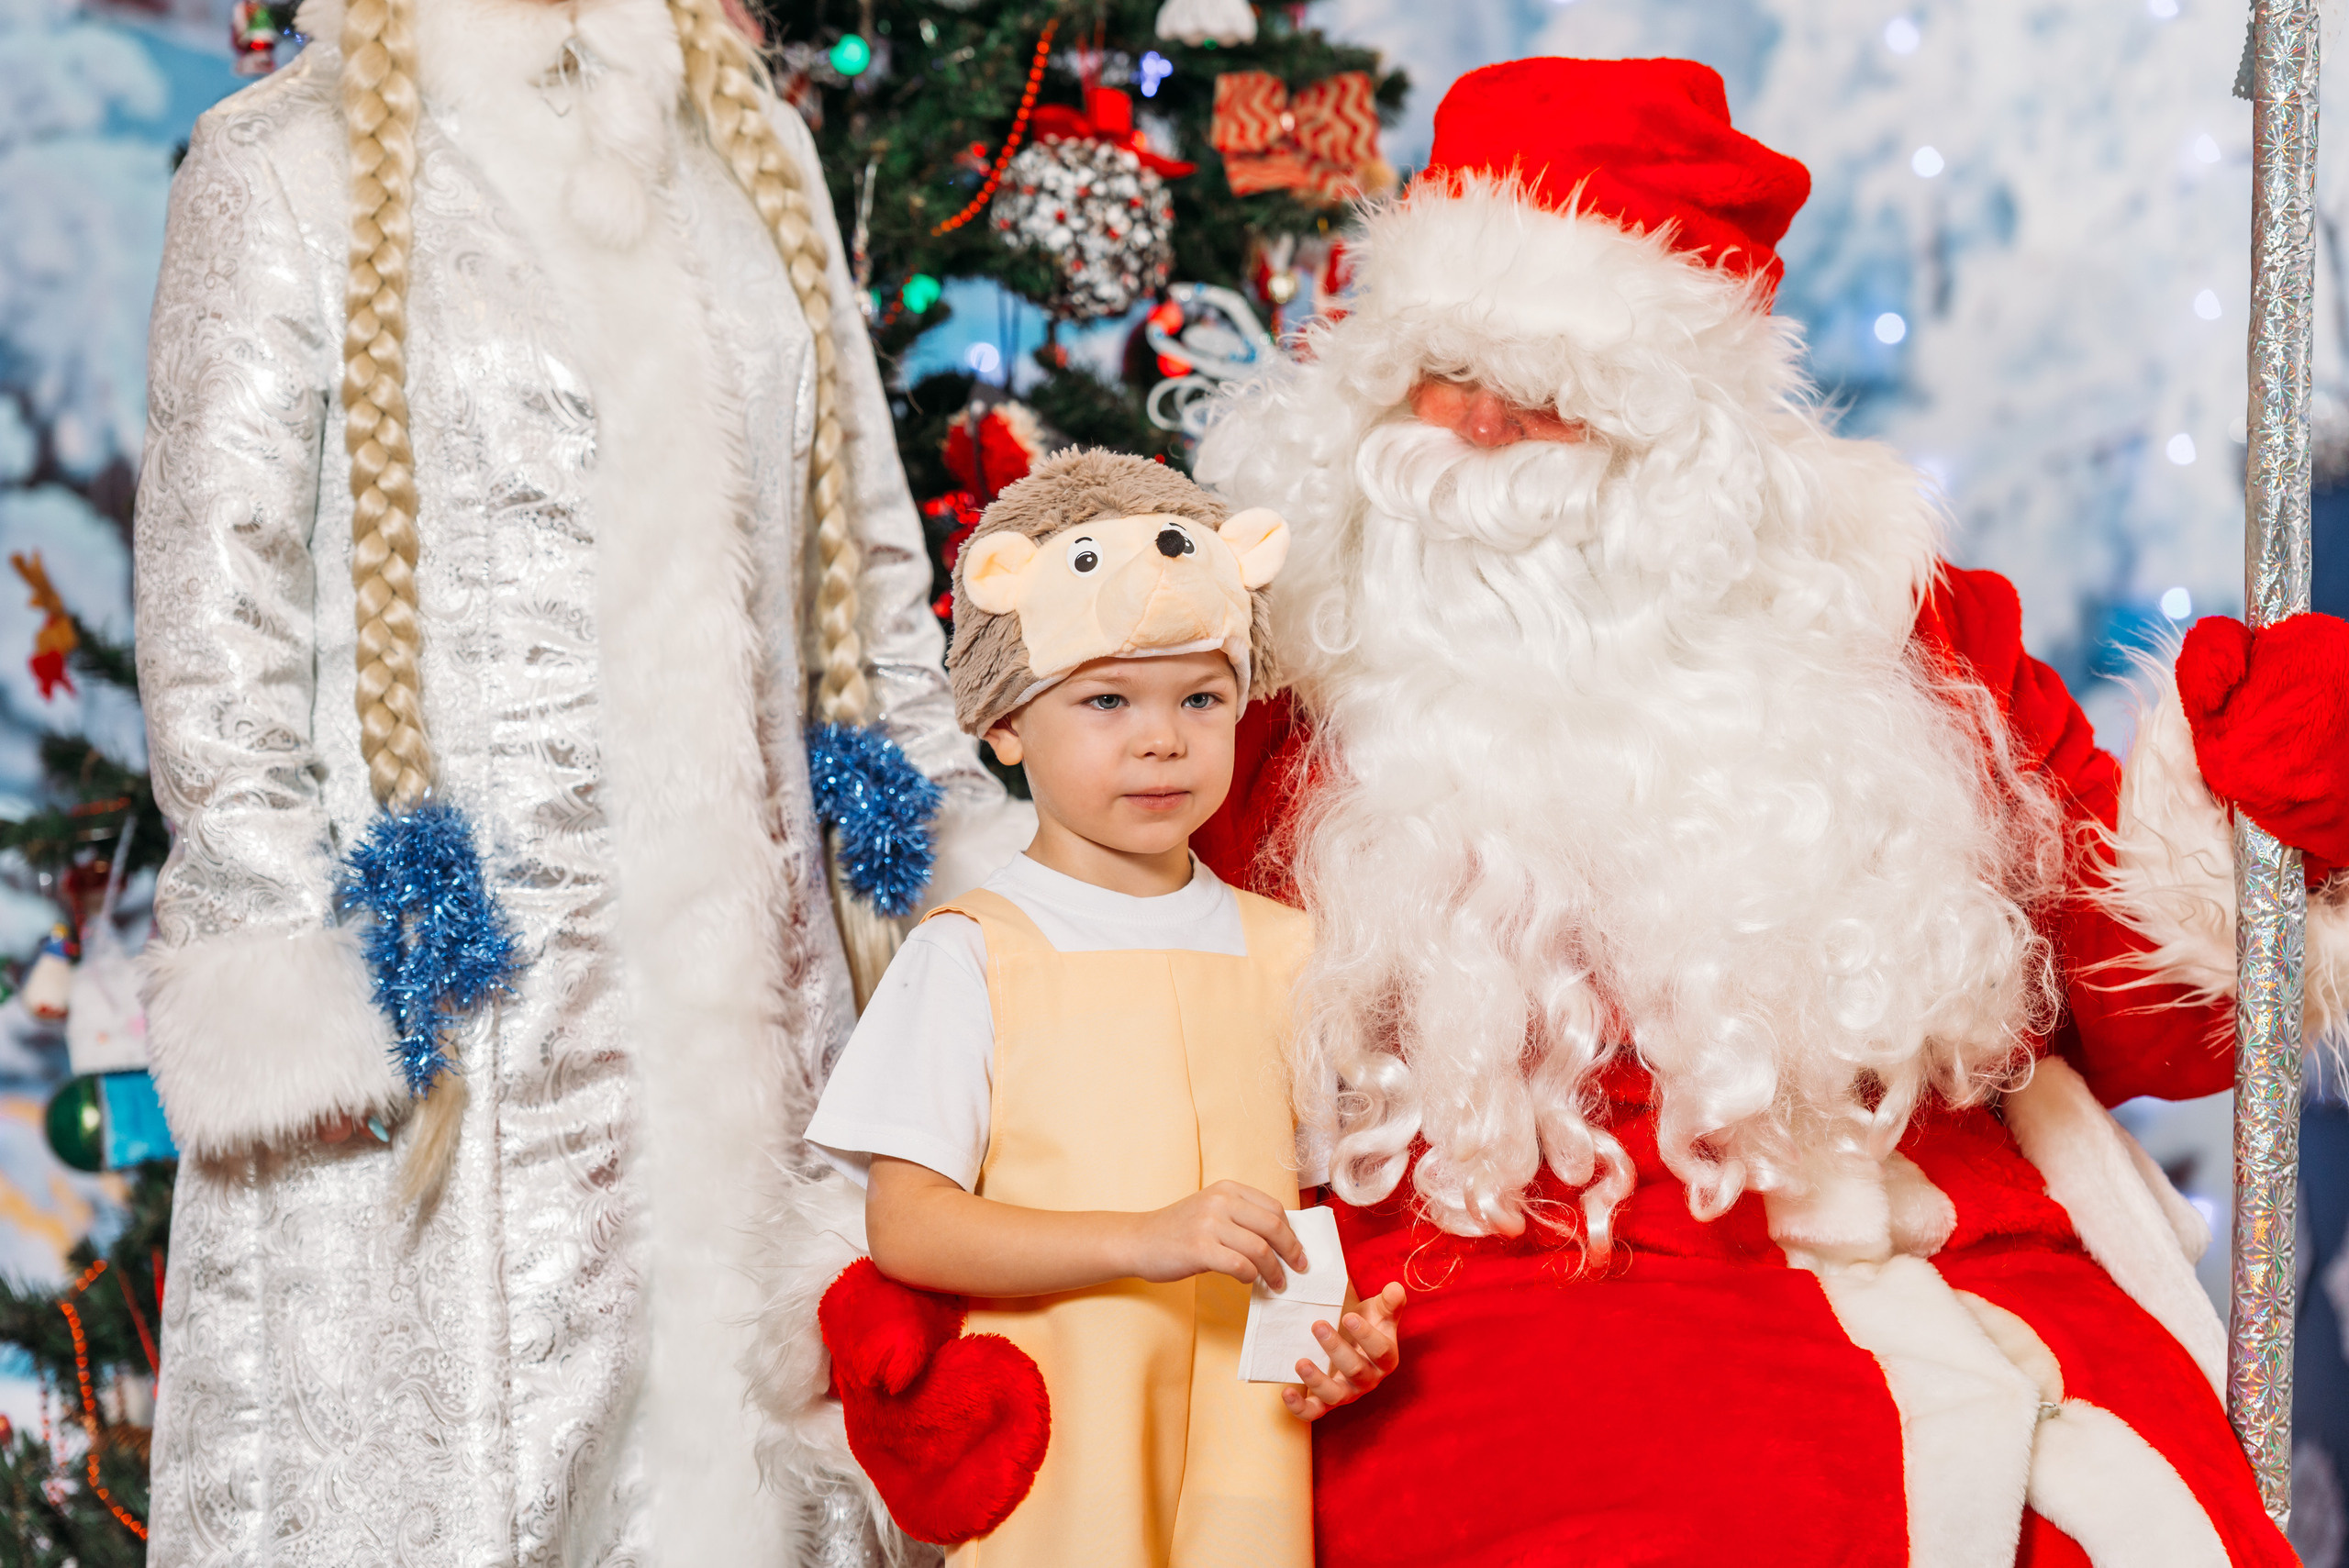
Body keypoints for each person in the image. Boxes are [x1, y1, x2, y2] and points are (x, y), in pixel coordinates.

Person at [1179, 56, 2349, 1568]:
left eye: (1545, 395)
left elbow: (2147, 1013)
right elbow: (1111, 999)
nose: (1472, 428)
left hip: (1917, 1242)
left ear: (1684, 439)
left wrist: (2252, 826)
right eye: (1438, 371)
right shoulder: (1269, 663)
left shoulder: (1885, 622)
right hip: (1458, 1294)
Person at [129, 0, 1021, 1559]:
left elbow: (876, 590)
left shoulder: (751, 144)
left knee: (750, 1473)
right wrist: (300, 981)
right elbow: (220, 629)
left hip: (767, 1045)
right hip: (458, 1059)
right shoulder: (281, 164)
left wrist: (992, 934)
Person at [794, 450, 1406, 1566]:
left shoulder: (1290, 951)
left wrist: (1334, 1340)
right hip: (1067, 1463)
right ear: (1005, 722)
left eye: (1200, 698)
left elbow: (1305, 1213)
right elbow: (911, 1223)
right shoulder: (973, 952)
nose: (1161, 738)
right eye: (1107, 699)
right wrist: (1144, 1237)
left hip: (1249, 1453)